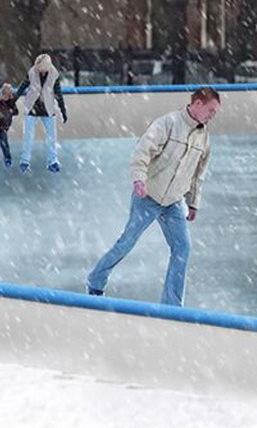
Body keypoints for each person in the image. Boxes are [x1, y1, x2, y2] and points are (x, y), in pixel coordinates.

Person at [86, 87, 218, 305]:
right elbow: (142, 151)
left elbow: (198, 174)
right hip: (148, 196)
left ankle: (171, 304)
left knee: (182, 248)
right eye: (211, 110)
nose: (213, 115)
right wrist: (139, 179)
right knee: (126, 242)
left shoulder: (204, 137)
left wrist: (193, 203)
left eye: (215, 112)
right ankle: (96, 280)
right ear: (197, 104)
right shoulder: (168, 123)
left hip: (174, 203)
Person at [15, 52, 68, 173]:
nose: (40, 71)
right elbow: (23, 86)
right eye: (38, 69)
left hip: (48, 108)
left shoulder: (54, 75)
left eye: (42, 69)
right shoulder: (32, 72)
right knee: (28, 135)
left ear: (48, 67)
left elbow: (58, 94)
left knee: (51, 136)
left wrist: (63, 110)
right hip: (32, 106)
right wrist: (13, 100)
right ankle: (25, 160)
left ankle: (53, 161)